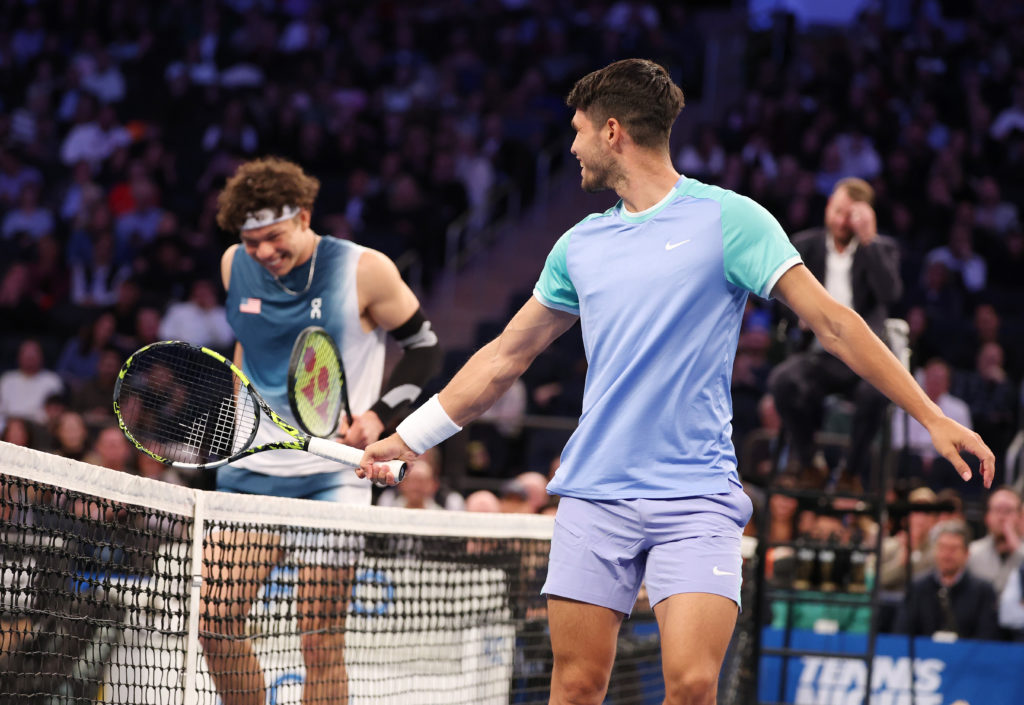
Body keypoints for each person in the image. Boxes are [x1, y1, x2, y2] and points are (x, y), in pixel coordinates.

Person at [359, 59, 995, 705]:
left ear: (613, 132)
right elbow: (504, 357)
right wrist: (410, 435)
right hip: (594, 494)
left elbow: (833, 321)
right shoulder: (579, 244)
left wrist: (929, 414)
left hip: (695, 496)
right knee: (576, 685)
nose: (571, 146)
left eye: (578, 131)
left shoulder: (730, 220)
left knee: (691, 684)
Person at [201, 156, 442, 705]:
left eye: (274, 237)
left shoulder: (363, 269)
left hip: (333, 474)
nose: (262, 252)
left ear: (304, 216)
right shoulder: (232, 264)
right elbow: (249, 341)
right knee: (214, 623)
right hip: (252, 466)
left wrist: (378, 416)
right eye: (252, 240)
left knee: (319, 639)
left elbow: (426, 347)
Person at [767, 176, 902, 489]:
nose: (842, 220)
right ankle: (809, 460)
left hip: (864, 356)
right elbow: (780, 298)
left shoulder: (881, 250)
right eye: (838, 211)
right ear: (828, 206)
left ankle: (851, 471)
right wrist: (799, 312)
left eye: (850, 215)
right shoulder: (804, 245)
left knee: (878, 392)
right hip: (819, 353)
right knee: (783, 381)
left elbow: (890, 293)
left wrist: (869, 241)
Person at [892, 520, 999, 641]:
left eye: (953, 549)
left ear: (967, 553)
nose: (947, 555)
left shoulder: (983, 591)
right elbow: (901, 634)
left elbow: (987, 638)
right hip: (924, 657)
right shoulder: (917, 587)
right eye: (942, 547)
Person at [967, 486, 1024, 594]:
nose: (1002, 517)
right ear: (987, 517)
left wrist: (1018, 549)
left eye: (1008, 511)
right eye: (997, 510)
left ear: (1020, 517)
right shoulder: (972, 553)